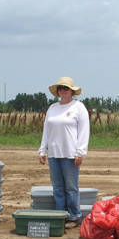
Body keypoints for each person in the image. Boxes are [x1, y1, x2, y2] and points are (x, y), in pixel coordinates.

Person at [38, 77, 90, 229]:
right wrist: (43, 150)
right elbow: (46, 131)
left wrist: (80, 153)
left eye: (65, 88)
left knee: (71, 187)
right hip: (54, 154)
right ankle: (60, 215)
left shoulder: (78, 107)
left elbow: (84, 131)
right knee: (58, 187)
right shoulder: (52, 108)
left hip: (70, 154)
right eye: (60, 88)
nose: (62, 91)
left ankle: (74, 216)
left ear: (72, 91)